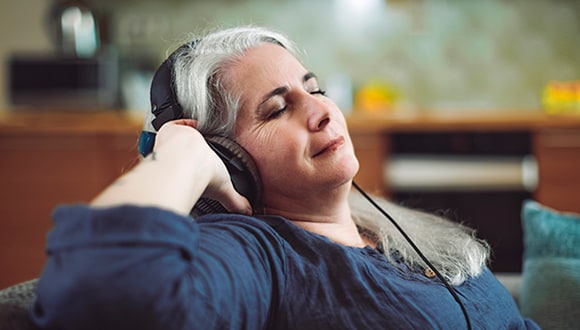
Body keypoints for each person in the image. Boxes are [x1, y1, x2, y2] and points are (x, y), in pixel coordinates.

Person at [31, 26, 539, 329]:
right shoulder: (257, 252)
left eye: (313, 89)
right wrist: (181, 154)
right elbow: (94, 289)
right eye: (277, 110)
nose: (321, 112)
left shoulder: (387, 223)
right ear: (227, 156)